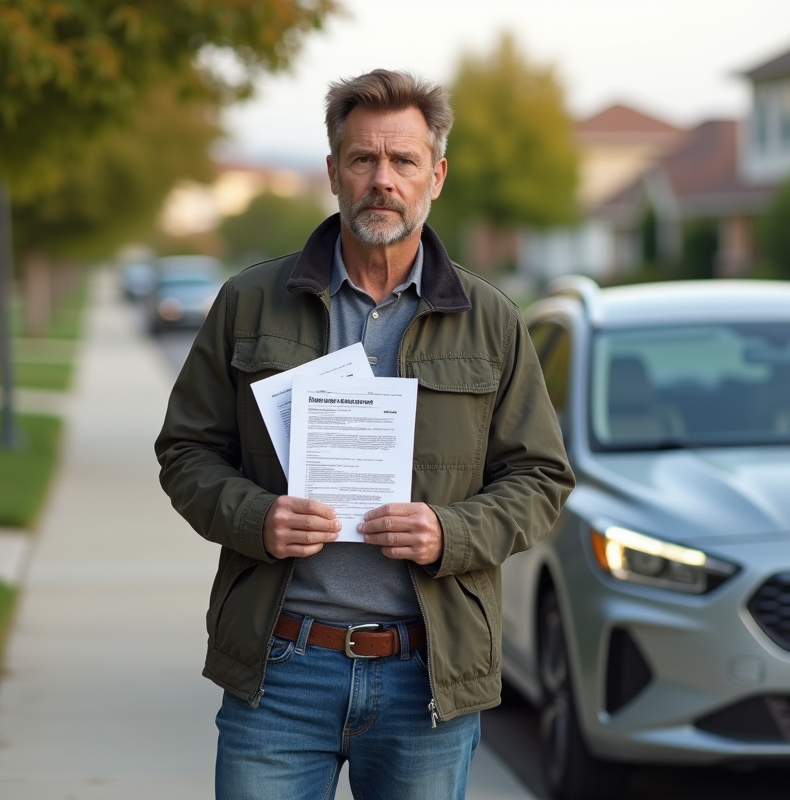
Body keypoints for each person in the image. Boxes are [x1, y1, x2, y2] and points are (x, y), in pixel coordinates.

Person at [155, 69, 574, 800]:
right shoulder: (249, 303)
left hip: (427, 678)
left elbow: (541, 479)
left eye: (404, 161)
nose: (383, 179)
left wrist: (451, 531)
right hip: (280, 668)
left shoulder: (492, 320)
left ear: (435, 176)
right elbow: (186, 451)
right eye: (363, 160)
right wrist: (257, 517)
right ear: (332, 172)